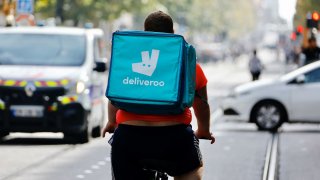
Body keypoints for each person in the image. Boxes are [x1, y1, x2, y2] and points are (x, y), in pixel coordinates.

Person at [102, 11, 215, 180]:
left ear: (146, 32)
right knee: (191, 174)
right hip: (175, 139)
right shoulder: (188, 64)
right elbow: (201, 103)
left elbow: (116, 97)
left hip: (129, 139)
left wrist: (111, 122)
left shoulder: (130, 60)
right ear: (172, 33)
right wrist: (204, 130)